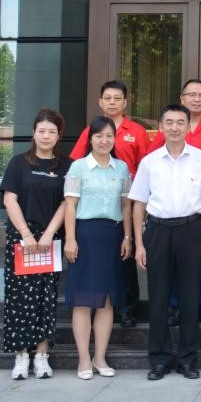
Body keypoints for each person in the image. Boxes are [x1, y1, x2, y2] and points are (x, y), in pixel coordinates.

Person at [129, 104, 201, 381]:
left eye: (180, 122)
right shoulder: (149, 162)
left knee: (190, 297)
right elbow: (138, 204)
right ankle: (159, 359)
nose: (175, 127)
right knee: (158, 298)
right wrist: (139, 243)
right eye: (169, 122)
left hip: (191, 230)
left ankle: (188, 359)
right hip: (158, 231)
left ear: (189, 127)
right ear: (161, 127)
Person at [69, 80, 150, 328]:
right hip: (94, 204)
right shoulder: (90, 130)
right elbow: (76, 164)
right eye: (108, 98)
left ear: (125, 102)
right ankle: (97, 304)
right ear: (100, 102)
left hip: (128, 203)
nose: (112, 102)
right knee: (98, 262)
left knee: (125, 258)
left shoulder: (137, 131)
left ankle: (127, 308)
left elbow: (146, 166)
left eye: (117, 98)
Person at [1, 109, 71, 380]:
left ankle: (42, 354)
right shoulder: (19, 163)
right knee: (19, 297)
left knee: (46, 296)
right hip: (22, 239)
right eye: (41, 131)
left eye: (51, 132)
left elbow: (67, 202)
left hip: (49, 239)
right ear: (33, 132)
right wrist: (26, 234)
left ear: (59, 135)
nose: (46, 136)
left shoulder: (66, 166)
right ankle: (21, 355)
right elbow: (9, 199)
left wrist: (49, 233)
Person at [62, 116, 132, 379]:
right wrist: (71, 238)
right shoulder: (77, 168)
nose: (104, 141)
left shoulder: (122, 168)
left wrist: (128, 237)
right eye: (99, 135)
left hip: (112, 235)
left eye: (109, 136)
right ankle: (83, 359)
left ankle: (100, 357)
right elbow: (70, 205)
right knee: (83, 299)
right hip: (85, 235)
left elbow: (126, 205)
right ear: (90, 139)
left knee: (106, 300)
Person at [149, 79, 201, 328]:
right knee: (173, 264)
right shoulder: (171, 127)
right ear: (182, 98)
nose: (197, 99)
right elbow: (152, 160)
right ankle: (176, 306)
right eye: (191, 94)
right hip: (170, 206)